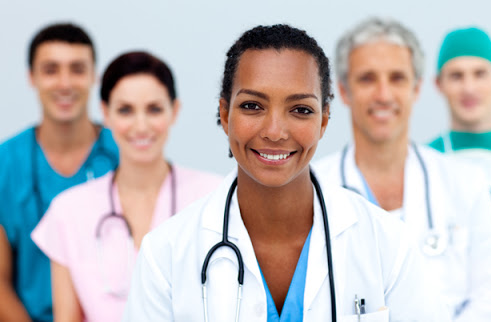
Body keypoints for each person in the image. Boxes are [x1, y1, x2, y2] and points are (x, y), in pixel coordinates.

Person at [122, 24, 442, 322]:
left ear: (324, 121)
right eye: (252, 106)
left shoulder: (387, 244)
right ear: (224, 113)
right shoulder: (165, 255)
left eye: (300, 110)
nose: (275, 132)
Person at [314, 17, 491, 321]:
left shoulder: (465, 183)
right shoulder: (311, 191)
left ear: (416, 88)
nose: (383, 94)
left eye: (397, 78)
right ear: (343, 90)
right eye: (367, 78)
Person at [31, 51, 223, 321]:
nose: (141, 126)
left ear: (174, 111)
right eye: (125, 110)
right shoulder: (68, 211)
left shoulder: (214, 198)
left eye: (154, 109)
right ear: (105, 113)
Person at [0, 23, 119, 322]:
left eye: (77, 69)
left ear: (94, 76)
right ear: (32, 77)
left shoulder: (124, 155)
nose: (65, 83)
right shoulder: (6, 163)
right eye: (51, 69)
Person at [428, 27, 491, 253]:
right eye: (456, 76)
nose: (469, 88)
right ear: (439, 84)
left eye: (479, 74)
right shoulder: (423, 162)